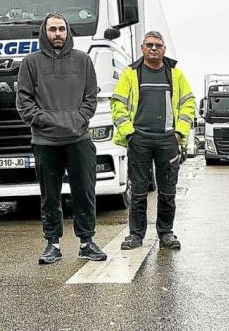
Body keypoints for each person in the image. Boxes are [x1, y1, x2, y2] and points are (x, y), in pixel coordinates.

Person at [16, 13, 107, 264]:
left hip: (79, 140)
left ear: (68, 33)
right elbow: (24, 102)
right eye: (53, 29)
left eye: (62, 29)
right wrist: (47, 121)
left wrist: (77, 120)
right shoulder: (30, 63)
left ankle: (87, 242)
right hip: (45, 142)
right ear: (44, 33)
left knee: (85, 192)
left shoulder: (83, 60)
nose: (58, 34)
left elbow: (90, 100)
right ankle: (52, 244)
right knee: (50, 196)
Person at [110, 31, 196, 250]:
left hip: (168, 140)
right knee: (138, 191)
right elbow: (117, 104)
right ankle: (135, 236)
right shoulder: (130, 74)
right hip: (139, 139)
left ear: (164, 49)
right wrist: (130, 132)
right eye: (150, 45)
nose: (154, 49)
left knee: (168, 190)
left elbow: (188, 103)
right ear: (142, 48)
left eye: (158, 45)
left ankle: (166, 233)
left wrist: (179, 133)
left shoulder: (175, 75)